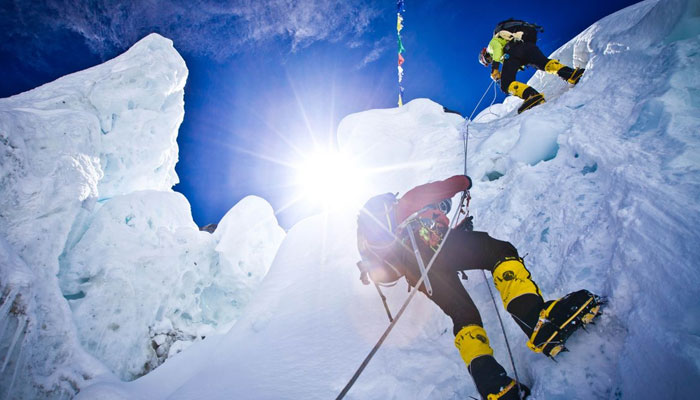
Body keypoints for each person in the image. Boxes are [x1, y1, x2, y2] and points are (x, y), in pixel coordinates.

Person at [356, 175, 602, 400]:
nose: (441, 212)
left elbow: (439, 253)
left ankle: (490, 383)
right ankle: (537, 319)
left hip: (419, 274)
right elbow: (440, 190)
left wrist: (456, 232)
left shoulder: (392, 239)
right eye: (440, 209)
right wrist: (463, 182)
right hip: (432, 251)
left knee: (462, 314)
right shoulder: (405, 207)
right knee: (498, 251)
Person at [478, 19, 585, 113]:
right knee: (543, 63)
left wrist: (495, 69)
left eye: (487, 59)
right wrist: (503, 71)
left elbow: (497, 51)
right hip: (527, 46)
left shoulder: (491, 46)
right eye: (488, 62)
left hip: (513, 51)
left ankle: (531, 95)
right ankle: (570, 74)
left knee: (505, 84)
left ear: (484, 54)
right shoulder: (506, 44)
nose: (490, 60)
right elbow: (515, 67)